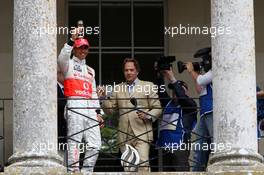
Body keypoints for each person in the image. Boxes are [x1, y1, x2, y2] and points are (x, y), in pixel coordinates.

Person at [97, 58, 162, 172]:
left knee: (143, 164)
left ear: (137, 71)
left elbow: (157, 108)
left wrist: (147, 115)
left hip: (142, 132)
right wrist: (102, 99)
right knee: (128, 167)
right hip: (124, 133)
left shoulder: (148, 85)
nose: (129, 72)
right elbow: (111, 111)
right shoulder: (117, 88)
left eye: (131, 70)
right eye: (126, 70)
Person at [57, 28, 104, 173]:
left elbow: (94, 93)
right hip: (75, 104)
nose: (83, 50)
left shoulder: (91, 70)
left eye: (85, 47)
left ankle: (86, 172)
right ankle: (74, 171)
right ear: (75, 49)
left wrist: (99, 112)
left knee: (95, 144)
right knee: (75, 142)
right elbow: (61, 58)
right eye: (80, 47)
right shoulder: (68, 64)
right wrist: (71, 40)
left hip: (90, 108)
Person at [156, 68, 197, 171]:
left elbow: (182, 98)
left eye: (178, 89)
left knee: (181, 172)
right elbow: (161, 92)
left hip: (180, 146)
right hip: (164, 146)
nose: (175, 92)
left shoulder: (190, 104)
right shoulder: (168, 103)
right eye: (173, 90)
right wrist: (160, 75)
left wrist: (172, 79)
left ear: (185, 91)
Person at [186, 47, 213, 171]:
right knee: (199, 145)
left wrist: (192, 71)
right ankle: (197, 171)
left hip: (212, 112)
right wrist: (196, 72)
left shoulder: (216, 70)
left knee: (215, 143)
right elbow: (199, 89)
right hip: (204, 113)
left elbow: (201, 80)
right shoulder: (206, 74)